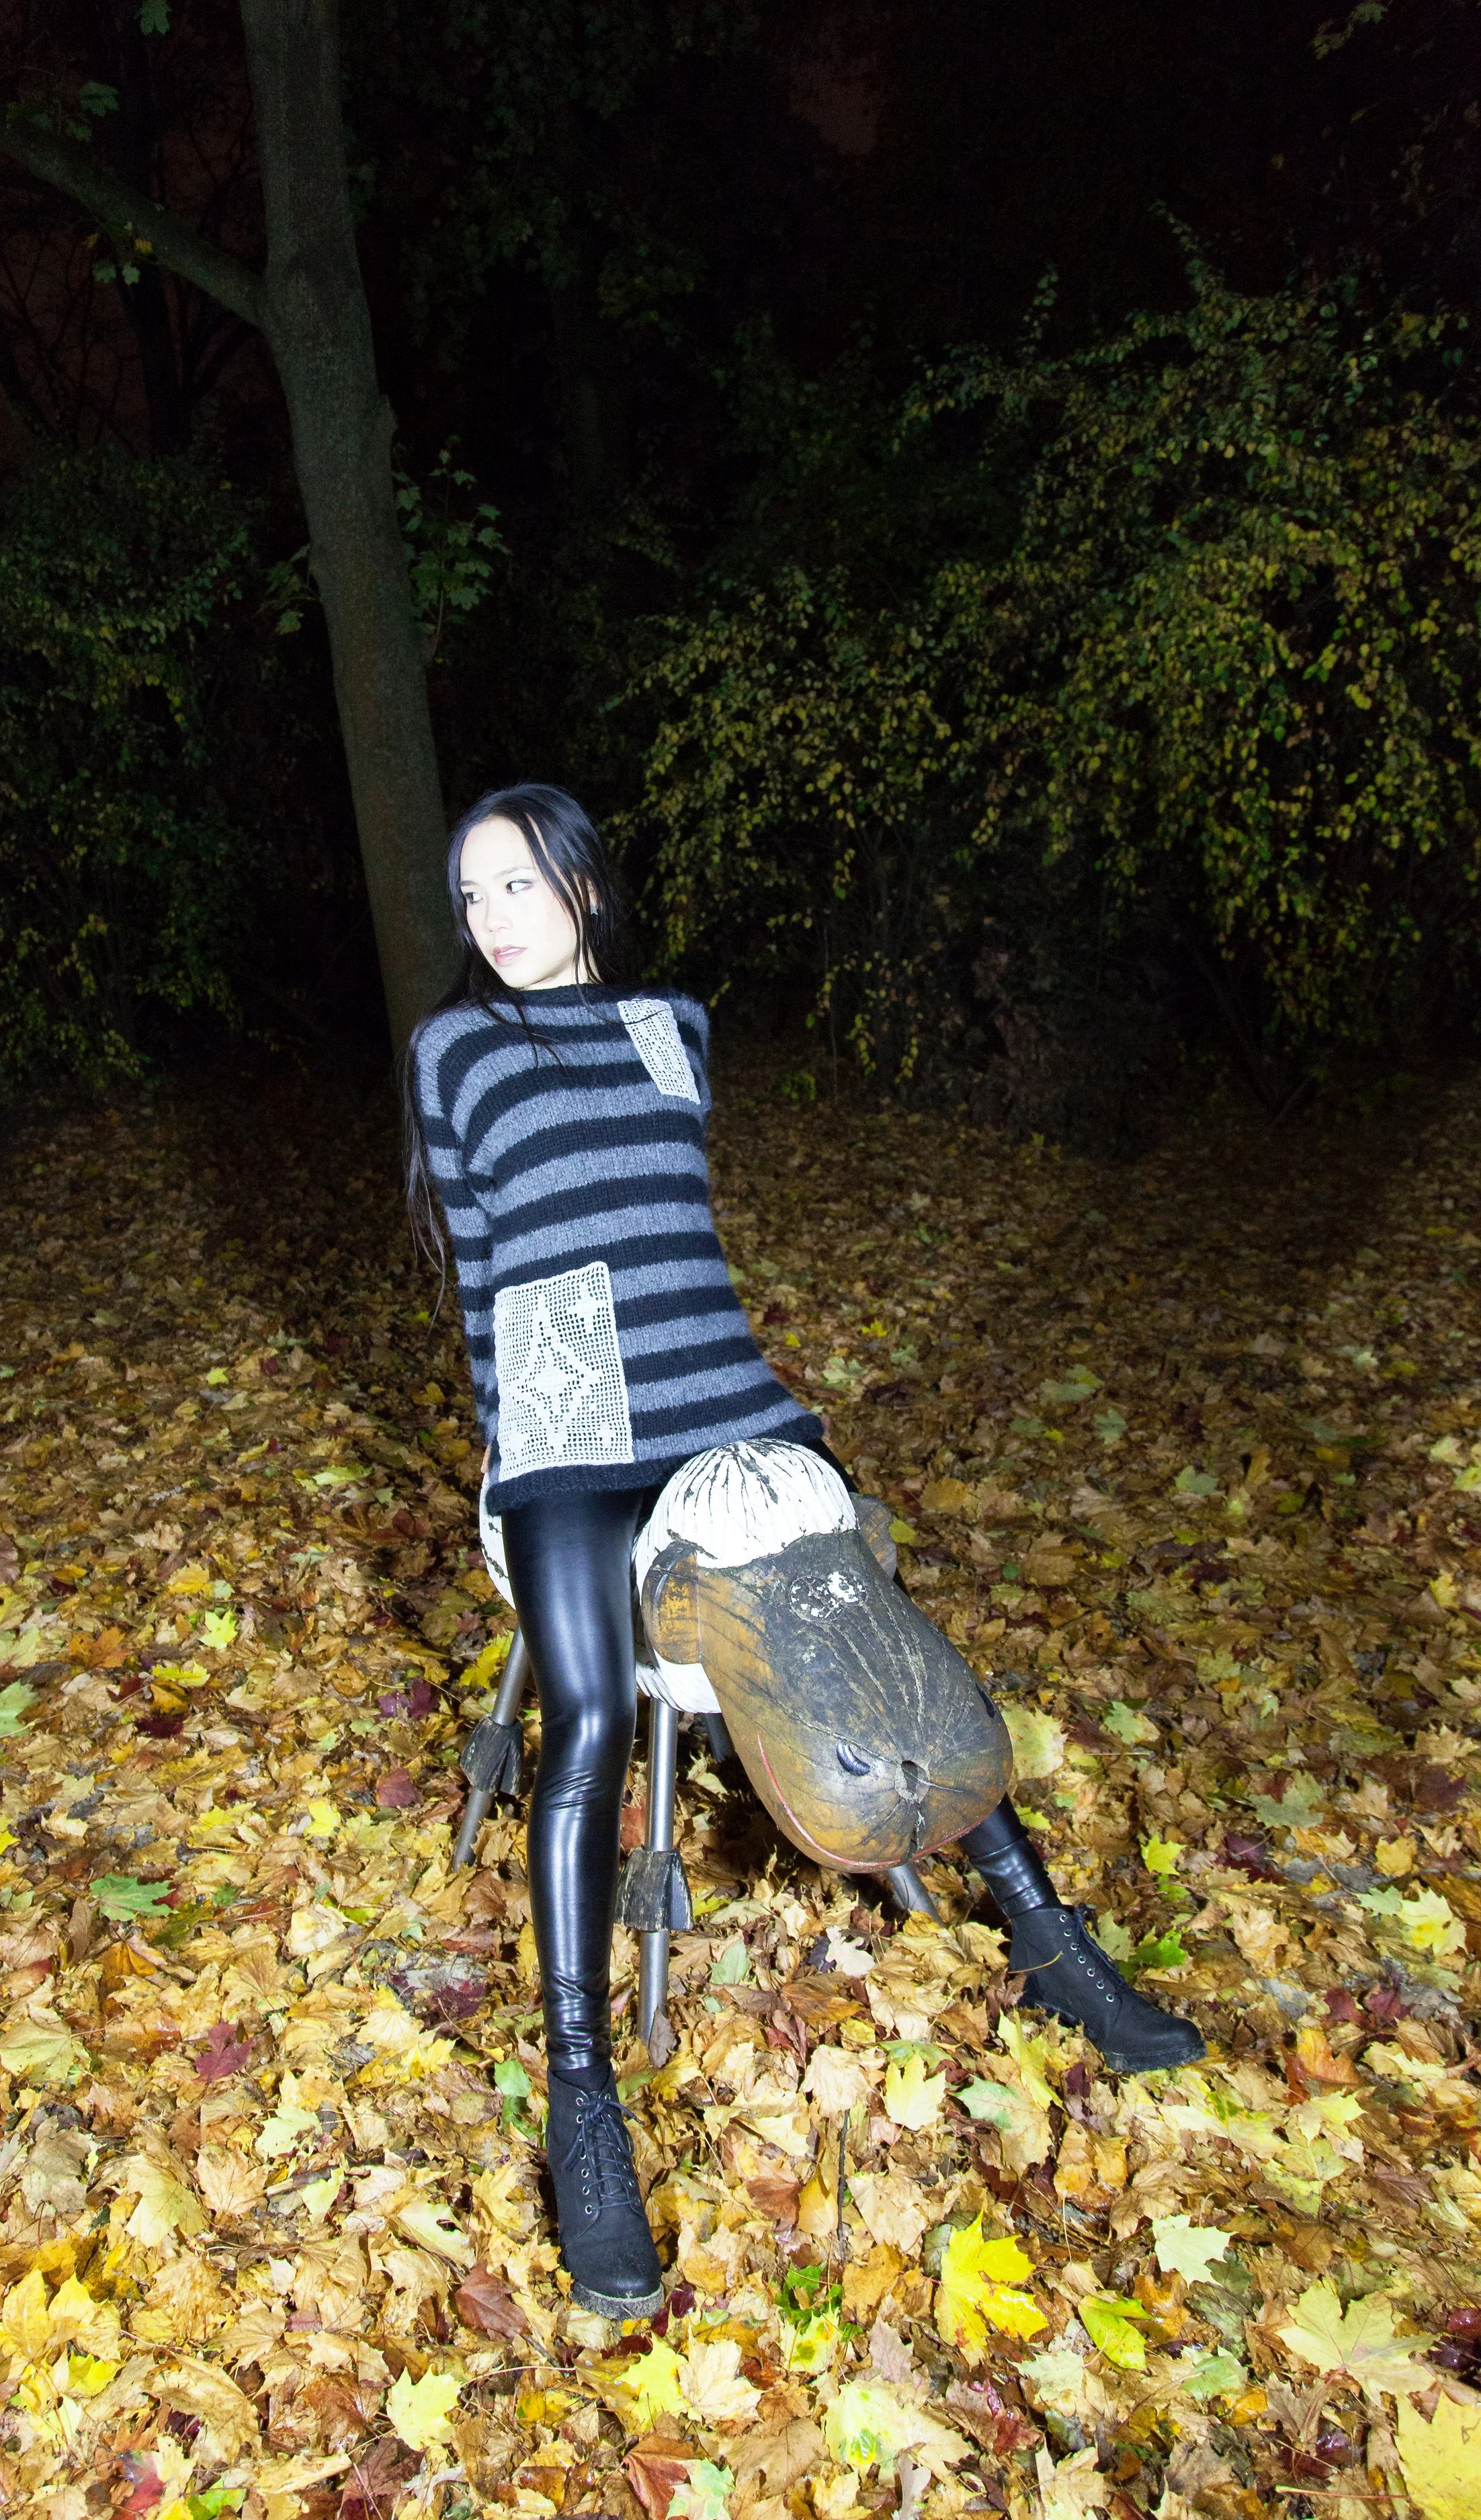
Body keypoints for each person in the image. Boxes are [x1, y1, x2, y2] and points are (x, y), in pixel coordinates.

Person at [405, 784, 1202, 2322]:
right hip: (567, 1406)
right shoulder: (455, 1050)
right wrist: (517, 1459)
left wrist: (752, 1428)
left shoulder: (673, 1028)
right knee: (580, 1716)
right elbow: (484, 1274)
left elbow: (677, 1234)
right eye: (472, 899)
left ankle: (1047, 1941)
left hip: (718, 1392)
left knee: (873, 1633)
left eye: (520, 886)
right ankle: (582, 2095)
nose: (497, 920)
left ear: (582, 883)